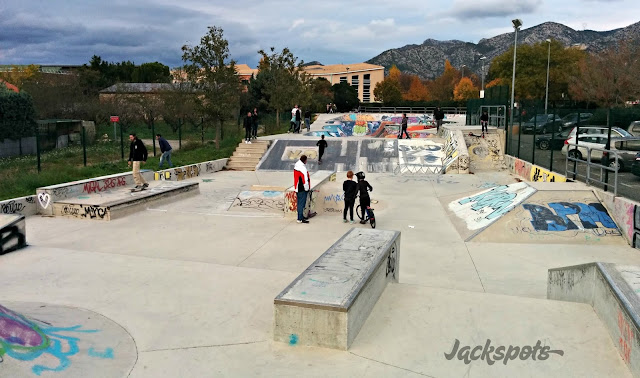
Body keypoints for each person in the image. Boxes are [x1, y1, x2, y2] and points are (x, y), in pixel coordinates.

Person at [293, 155, 311, 224]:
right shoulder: (302, 168)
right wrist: (307, 188)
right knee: (301, 204)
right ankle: (300, 218)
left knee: (299, 203)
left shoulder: (297, 165)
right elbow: (305, 179)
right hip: (302, 188)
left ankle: (300, 216)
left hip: (297, 187)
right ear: (305, 160)